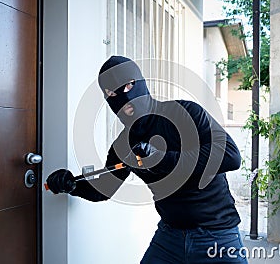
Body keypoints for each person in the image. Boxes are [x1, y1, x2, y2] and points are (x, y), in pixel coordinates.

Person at [46, 56, 248, 263]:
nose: (122, 100)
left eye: (127, 87)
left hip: (218, 236)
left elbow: (231, 155)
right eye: (112, 93)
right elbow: (105, 188)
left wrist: (163, 158)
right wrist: (71, 184)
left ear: (139, 83)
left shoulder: (185, 112)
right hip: (170, 237)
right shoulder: (123, 145)